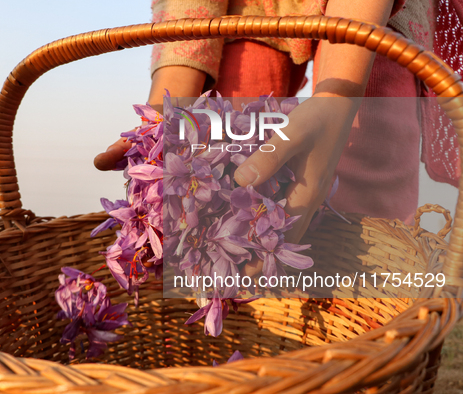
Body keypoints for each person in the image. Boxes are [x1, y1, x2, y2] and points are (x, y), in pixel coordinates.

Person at [94, 0, 455, 251]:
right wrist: (170, 98)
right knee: (218, 192)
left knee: (368, 201)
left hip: (376, 10)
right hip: (244, 11)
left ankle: (368, 348)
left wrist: (340, 92)